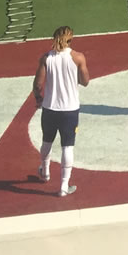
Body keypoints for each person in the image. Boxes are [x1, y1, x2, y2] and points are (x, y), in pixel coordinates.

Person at [31, 25, 89, 198]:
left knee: (47, 141)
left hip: (50, 108)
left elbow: (37, 84)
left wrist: (38, 99)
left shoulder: (46, 58)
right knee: (67, 146)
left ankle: (45, 170)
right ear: (71, 40)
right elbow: (85, 81)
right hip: (70, 109)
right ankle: (64, 185)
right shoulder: (78, 57)